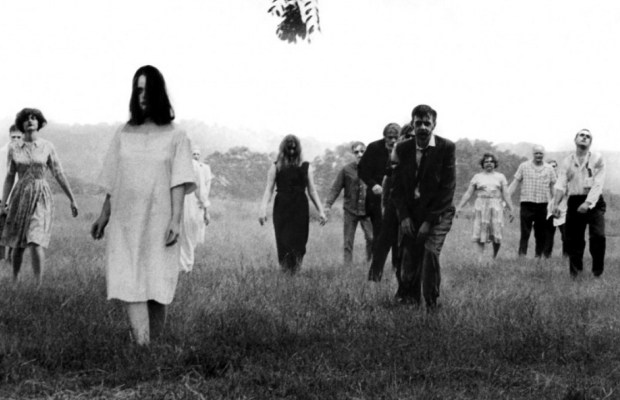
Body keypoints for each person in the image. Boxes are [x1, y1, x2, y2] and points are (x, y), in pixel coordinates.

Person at [91, 65, 196, 346]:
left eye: (148, 90)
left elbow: (179, 180)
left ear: (159, 93)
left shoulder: (176, 135)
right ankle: (142, 345)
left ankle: (154, 346)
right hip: (126, 217)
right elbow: (115, 177)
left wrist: (175, 220)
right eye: (138, 90)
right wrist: (104, 214)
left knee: (157, 279)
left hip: (159, 217)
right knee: (130, 275)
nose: (143, 96)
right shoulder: (123, 133)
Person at [0, 108, 78, 285]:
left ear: (39, 123)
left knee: (36, 241)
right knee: (18, 242)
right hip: (20, 196)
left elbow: (58, 173)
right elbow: (10, 177)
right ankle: (15, 280)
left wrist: (72, 199)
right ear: (21, 123)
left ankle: (38, 285)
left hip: (41, 195)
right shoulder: (13, 148)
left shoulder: (47, 146)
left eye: (34, 118)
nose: (30, 121)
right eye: (26, 118)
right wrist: (3, 203)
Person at [391, 105, 456, 309]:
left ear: (434, 125)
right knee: (408, 255)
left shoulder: (446, 148)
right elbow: (397, 188)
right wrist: (404, 217)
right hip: (412, 212)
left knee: (430, 251)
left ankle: (431, 303)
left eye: (427, 123)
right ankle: (409, 299)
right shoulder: (403, 149)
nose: (422, 127)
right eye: (418, 123)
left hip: (440, 211)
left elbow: (447, 189)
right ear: (412, 124)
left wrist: (429, 222)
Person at [259, 134, 327, 273]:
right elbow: (269, 189)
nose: (291, 151)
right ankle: (285, 271)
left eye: (294, 149)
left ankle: (295, 270)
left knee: (300, 241)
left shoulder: (306, 167)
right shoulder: (276, 166)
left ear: (298, 149)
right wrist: (262, 209)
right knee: (283, 240)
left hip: (300, 206)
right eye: (288, 149)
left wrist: (321, 211)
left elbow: (312, 190)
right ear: (283, 149)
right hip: (282, 207)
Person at [552, 129, 606, 277]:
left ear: (590, 142)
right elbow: (561, 184)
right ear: (575, 139)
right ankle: (575, 274)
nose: (584, 137)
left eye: (588, 136)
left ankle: (597, 273)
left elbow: (598, 183)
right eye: (581, 135)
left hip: (594, 201)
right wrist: (556, 205)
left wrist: (588, 203)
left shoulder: (597, 159)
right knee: (574, 239)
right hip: (575, 200)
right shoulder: (567, 161)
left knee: (598, 236)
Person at [368, 123, 413, 281]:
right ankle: (374, 277)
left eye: (413, 137)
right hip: (393, 203)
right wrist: (384, 205)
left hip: (411, 205)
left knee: (403, 243)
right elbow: (387, 179)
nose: (410, 139)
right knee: (384, 241)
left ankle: (400, 275)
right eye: (407, 136)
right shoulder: (397, 153)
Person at [455, 153, 514, 263]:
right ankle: (480, 260)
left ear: (495, 164)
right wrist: (459, 207)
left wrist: (511, 209)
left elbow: (506, 194)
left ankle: (494, 256)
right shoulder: (477, 177)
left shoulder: (500, 177)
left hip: (496, 206)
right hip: (481, 206)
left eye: (491, 162)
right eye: (486, 162)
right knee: (480, 232)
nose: (489, 164)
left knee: (497, 233)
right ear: (483, 164)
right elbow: (468, 193)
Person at [358, 122, 400, 269]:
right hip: (377, 198)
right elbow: (362, 170)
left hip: (397, 198)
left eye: (396, 137)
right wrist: (373, 184)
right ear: (384, 137)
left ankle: (396, 268)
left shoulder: (404, 149)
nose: (393, 141)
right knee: (380, 234)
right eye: (390, 137)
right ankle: (376, 270)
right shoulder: (374, 147)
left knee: (397, 236)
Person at [324, 141, 372, 267]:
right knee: (348, 242)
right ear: (353, 154)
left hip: (367, 211)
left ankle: (369, 264)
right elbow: (335, 188)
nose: (360, 154)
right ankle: (347, 268)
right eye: (356, 152)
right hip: (350, 211)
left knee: (371, 238)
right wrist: (328, 205)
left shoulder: (372, 168)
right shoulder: (346, 170)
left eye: (362, 151)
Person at [507, 145, 556, 259]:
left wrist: (555, 203)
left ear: (544, 154)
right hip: (527, 203)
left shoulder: (549, 168)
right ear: (533, 154)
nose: (538, 155)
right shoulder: (524, 166)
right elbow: (515, 183)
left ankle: (538, 256)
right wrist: (506, 198)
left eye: (540, 153)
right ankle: (522, 256)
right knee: (525, 232)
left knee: (540, 233)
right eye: (536, 153)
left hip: (543, 204)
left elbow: (553, 186)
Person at [179, 148, 209, 272]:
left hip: (190, 204)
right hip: (175, 203)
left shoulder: (195, 166)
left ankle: (186, 267)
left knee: (188, 235)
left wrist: (206, 210)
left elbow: (201, 189)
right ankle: (181, 267)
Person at [0, 125, 23, 262]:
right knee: (1, 229)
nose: (16, 140)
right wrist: (3, 202)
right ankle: (2, 260)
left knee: (16, 230)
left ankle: (10, 259)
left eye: (19, 137)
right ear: (9, 136)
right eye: (13, 137)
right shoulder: (2, 153)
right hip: (2, 197)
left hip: (18, 197)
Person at [546, 160, 568, 258]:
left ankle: (566, 257)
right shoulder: (544, 181)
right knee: (548, 236)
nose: (552, 168)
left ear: (556, 167)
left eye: (554, 166)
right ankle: (546, 258)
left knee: (565, 235)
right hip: (549, 211)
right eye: (550, 166)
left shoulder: (562, 179)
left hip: (562, 210)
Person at [191, 147, 212, 242]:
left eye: (197, 154)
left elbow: (205, 186)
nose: (196, 156)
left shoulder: (205, 168)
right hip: (190, 198)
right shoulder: (188, 167)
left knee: (199, 223)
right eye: (194, 154)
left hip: (199, 199)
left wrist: (205, 206)